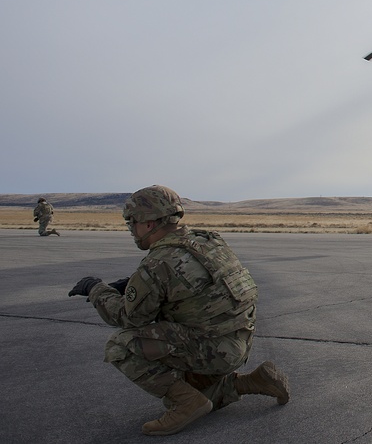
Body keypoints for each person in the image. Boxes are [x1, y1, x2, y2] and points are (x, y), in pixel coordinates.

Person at [68, 185, 289, 436]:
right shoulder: (208, 240)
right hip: (237, 341)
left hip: (214, 349)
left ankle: (186, 403)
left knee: (121, 345)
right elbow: (187, 281)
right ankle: (253, 381)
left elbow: (128, 317)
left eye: (132, 221)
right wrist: (132, 282)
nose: (131, 229)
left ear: (149, 223)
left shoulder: (158, 262)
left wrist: (96, 289)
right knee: (203, 394)